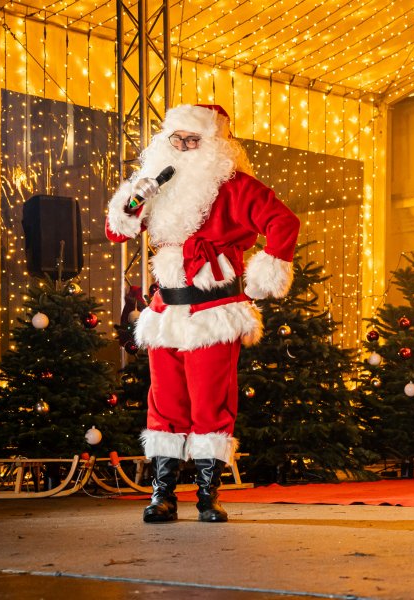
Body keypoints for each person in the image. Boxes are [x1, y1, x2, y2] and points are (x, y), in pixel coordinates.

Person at [105, 104, 300, 523]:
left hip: (213, 312)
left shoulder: (235, 186)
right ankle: (163, 494)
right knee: (164, 405)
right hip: (166, 312)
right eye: (176, 140)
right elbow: (116, 230)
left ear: (214, 144)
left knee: (211, 404)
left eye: (193, 141)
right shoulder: (155, 185)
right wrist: (133, 198)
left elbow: (284, 221)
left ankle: (208, 495)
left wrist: (266, 271)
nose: (184, 148)